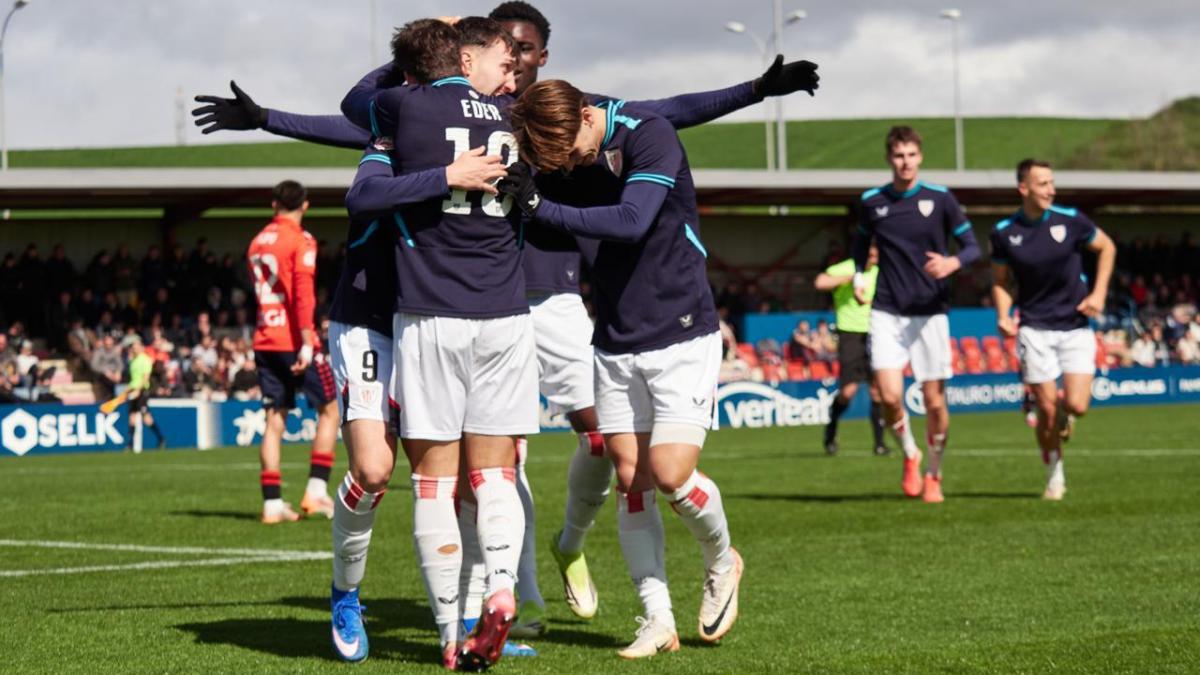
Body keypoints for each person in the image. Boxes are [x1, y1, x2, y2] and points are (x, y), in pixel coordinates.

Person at [498, 69, 816, 657]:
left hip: (681, 328)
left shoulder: (649, 135)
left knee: (670, 475)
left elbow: (631, 221)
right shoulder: (564, 149)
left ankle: (723, 560)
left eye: (568, 153)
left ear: (588, 117)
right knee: (631, 482)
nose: (564, 165)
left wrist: (541, 207)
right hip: (614, 336)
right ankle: (657, 619)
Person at [851, 125, 981, 503]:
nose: (905, 162)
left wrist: (952, 262)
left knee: (935, 402)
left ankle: (934, 474)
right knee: (890, 395)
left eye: (911, 155)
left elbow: (973, 246)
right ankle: (910, 452)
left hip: (930, 312)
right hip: (887, 309)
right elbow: (861, 246)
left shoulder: (941, 199)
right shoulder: (872, 201)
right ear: (889, 159)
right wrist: (860, 276)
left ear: (920, 157)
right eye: (898, 156)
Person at [989, 159, 1116, 500]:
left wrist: (1099, 294)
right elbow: (1000, 281)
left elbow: (1107, 247)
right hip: (1033, 327)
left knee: (1077, 405)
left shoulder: (1071, 221)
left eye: (1052, 182)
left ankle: (1065, 414)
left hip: (1075, 325)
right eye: (1043, 183)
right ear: (1023, 189)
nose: (1051, 189)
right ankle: (1054, 476)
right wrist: (1003, 314)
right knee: (1046, 411)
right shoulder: (1004, 232)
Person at [246, 180, 340, 524]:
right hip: (292, 340)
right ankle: (316, 491)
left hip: (264, 338)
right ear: (305, 206)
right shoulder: (301, 240)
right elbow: (303, 296)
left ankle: (272, 504)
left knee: (274, 420)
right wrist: (306, 341)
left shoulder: (257, 242)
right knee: (330, 410)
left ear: (274, 205)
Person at [814, 244, 888, 456]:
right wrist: (848, 279)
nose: (874, 259)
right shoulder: (846, 267)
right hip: (850, 335)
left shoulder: (879, 271)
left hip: (875, 333)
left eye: (876, 254)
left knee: (877, 390)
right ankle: (831, 428)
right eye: (871, 254)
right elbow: (820, 282)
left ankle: (880, 444)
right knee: (848, 392)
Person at [125, 337, 165, 450]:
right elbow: (133, 379)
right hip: (133, 391)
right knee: (132, 417)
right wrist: (129, 389)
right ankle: (130, 444)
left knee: (146, 418)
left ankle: (160, 438)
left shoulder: (145, 360)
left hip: (141, 391)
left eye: (136, 347)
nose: (134, 349)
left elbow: (145, 378)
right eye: (133, 347)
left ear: (141, 347)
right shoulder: (132, 361)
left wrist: (138, 389)